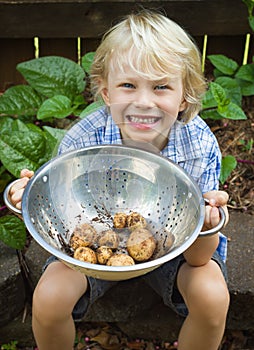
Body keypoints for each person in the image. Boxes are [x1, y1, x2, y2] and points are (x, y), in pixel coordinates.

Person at [9, 9, 230, 350]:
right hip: (93, 245)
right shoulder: (84, 140)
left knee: (212, 297)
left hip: (176, 250)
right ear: (106, 92)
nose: (143, 102)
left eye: (161, 87)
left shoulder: (197, 144)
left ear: (184, 94)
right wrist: (33, 196)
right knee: (50, 297)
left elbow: (198, 257)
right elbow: (62, 221)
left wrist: (208, 223)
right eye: (128, 85)